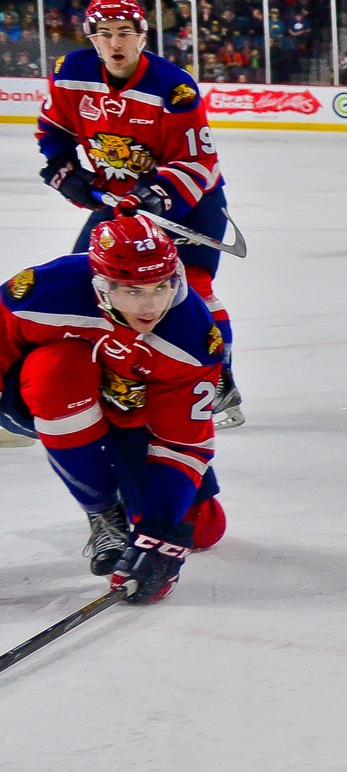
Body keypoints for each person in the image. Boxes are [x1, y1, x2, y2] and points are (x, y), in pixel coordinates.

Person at [35, 0, 243, 429]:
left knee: (192, 289)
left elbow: (197, 163)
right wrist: (64, 169)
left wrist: (157, 196)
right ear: (91, 37)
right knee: (90, 284)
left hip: (189, 204)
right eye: (105, 34)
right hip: (121, 206)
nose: (115, 44)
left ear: (142, 36)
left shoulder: (174, 86)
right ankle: (109, 381)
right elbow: (54, 130)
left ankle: (219, 380)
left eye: (125, 34)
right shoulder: (70, 73)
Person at [0, 215, 227, 604]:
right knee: (57, 372)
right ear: (102, 286)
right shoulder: (44, 294)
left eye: (161, 287)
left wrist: (159, 534)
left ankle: (136, 510)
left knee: (204, 529)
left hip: (136, 419)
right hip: (49, 395)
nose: (152, 305)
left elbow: (182, 443)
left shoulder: (191, 337)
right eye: (134, 291)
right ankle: (104, 512)